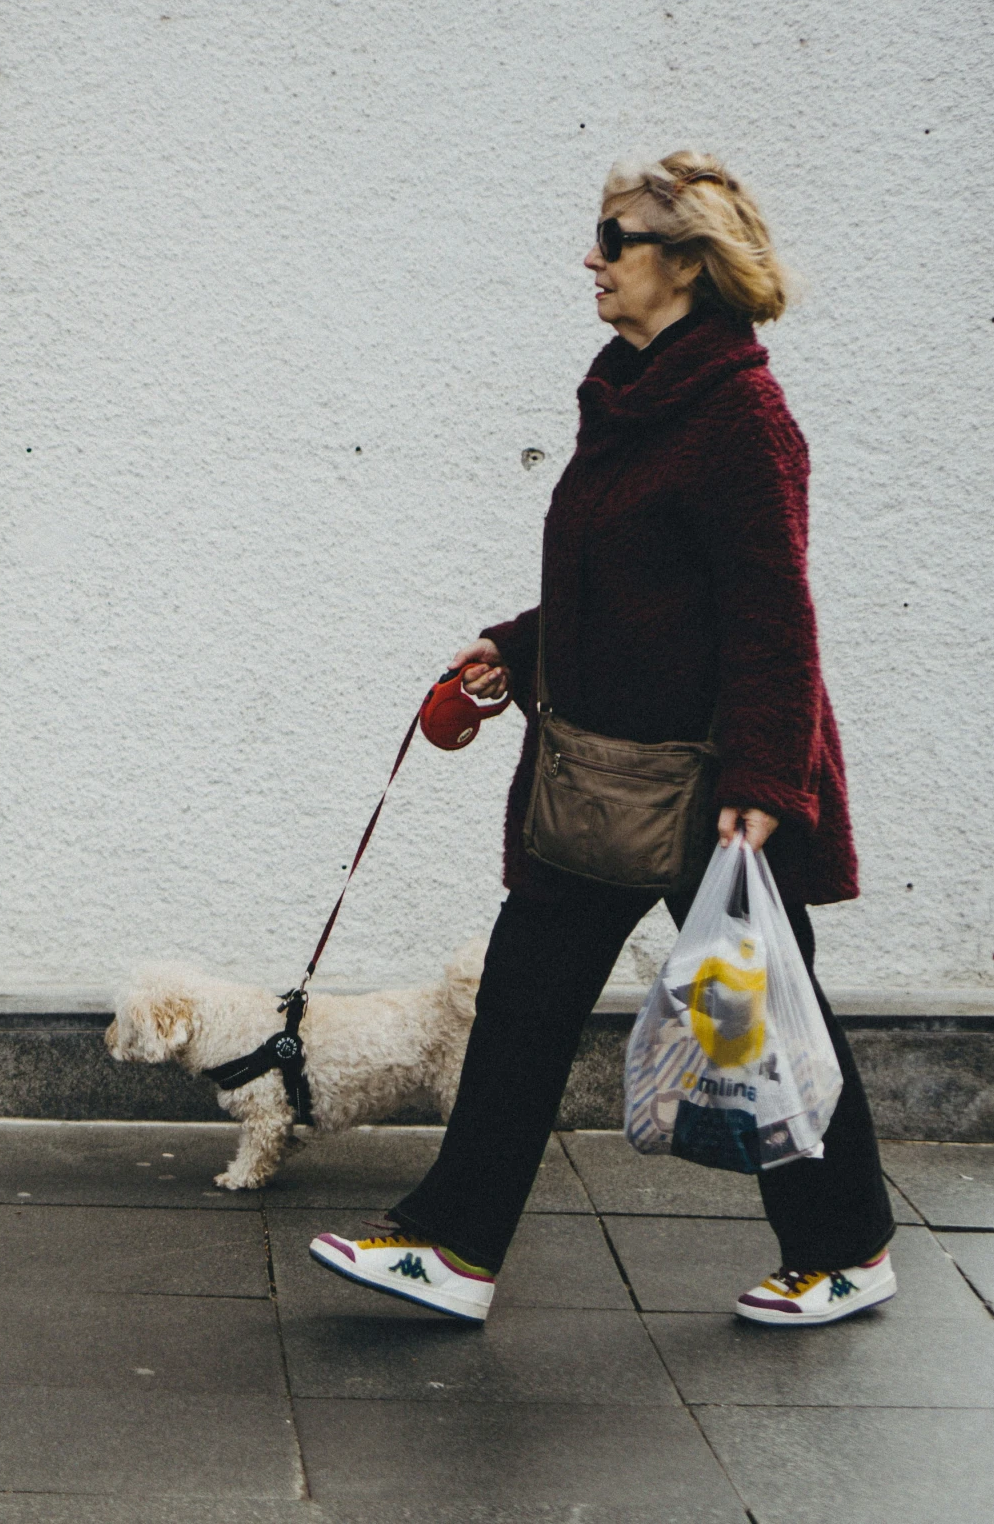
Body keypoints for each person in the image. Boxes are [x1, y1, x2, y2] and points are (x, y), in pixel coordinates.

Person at [308, 152, 894, 1326]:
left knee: (767, 1020)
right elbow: (623, 585)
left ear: (684, 262)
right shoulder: (631, 396)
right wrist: (516, 651)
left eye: (612, 237)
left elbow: (773, 612)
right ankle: (452, 1248)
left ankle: (842, 1249)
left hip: (712, 790)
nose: (590, 256)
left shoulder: (737, 414)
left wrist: (765, 780)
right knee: (522, 1005)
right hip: (603, 780)